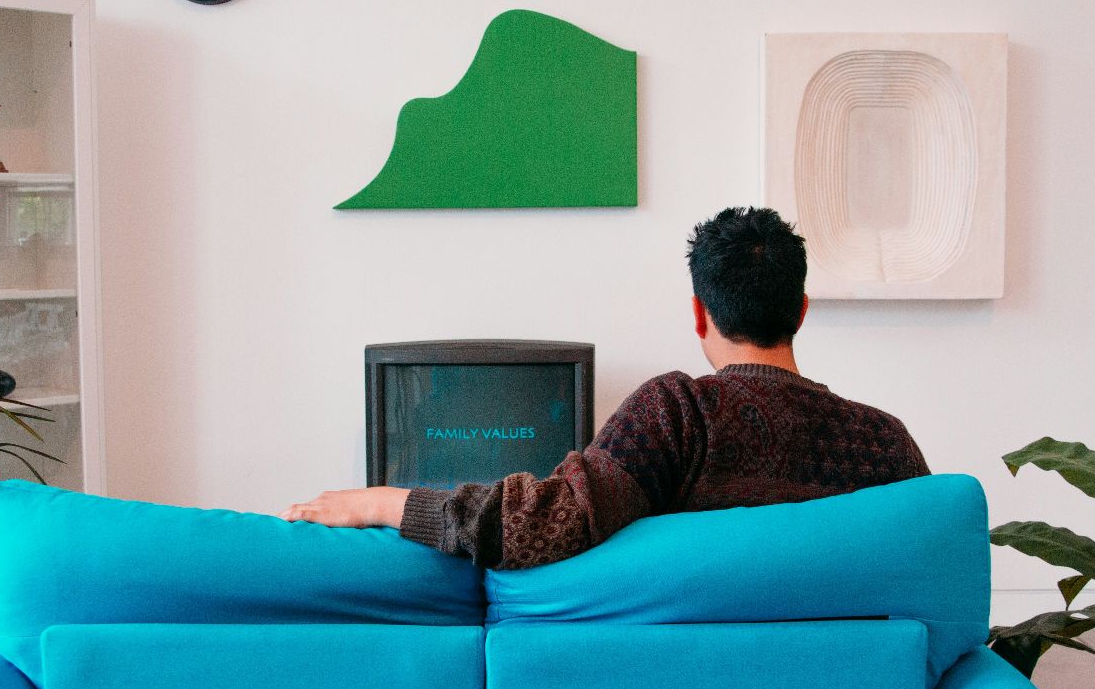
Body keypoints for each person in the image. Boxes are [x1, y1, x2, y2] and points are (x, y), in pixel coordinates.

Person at [280, 206, 930, 568]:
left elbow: (537, 527)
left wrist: (382, 503)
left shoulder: (679, 413)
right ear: (802, 310)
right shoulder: (886, 444)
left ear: (699, 314)